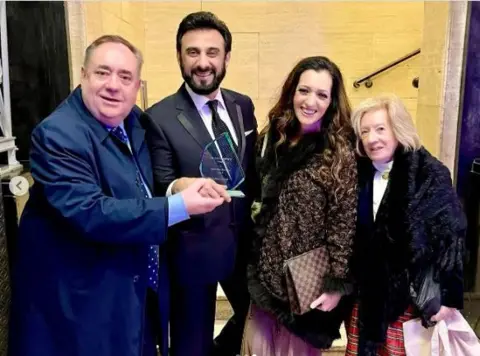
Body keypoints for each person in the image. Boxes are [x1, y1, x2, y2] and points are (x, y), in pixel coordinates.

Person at [8, 35, 230, 356]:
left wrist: (174, 187)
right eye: (103, 72)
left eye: (125, 77)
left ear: (137, 85)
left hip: (134, 300)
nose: (114, 85)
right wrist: (176, 206)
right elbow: (92, 212)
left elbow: (140, 187)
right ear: (83, 75)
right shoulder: (56, 135)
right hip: (83, 312)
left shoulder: (136, 121)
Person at [144, 11, 258, 356]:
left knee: (258, 324)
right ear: (179, 56)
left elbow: (250, 171)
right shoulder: (159, 118)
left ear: (226, 57)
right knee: (191, 347)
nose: (203, 62)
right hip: (193, 253)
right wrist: (179, 185)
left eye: (212, 52)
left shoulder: (243, 105)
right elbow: (161, 183)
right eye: (192, 52)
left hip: (245, 248)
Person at [242, 56, 357, 355]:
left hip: (305, 285)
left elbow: (343, 223)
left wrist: (336, 284)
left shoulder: (338, 151)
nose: (310, 101)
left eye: (321, 94)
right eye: (304, 90)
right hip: (265, 278)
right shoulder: (272, 140)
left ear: (331, 101)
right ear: (292, 91)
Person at [346, 94, 466, 355]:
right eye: (364, 131)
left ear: (398, 129)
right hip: (365, 298)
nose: (371, 139)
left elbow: (452, 239)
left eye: (380, 129)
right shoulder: (358, 173)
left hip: (409, 302)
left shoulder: (429, 173)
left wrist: (449, 298)